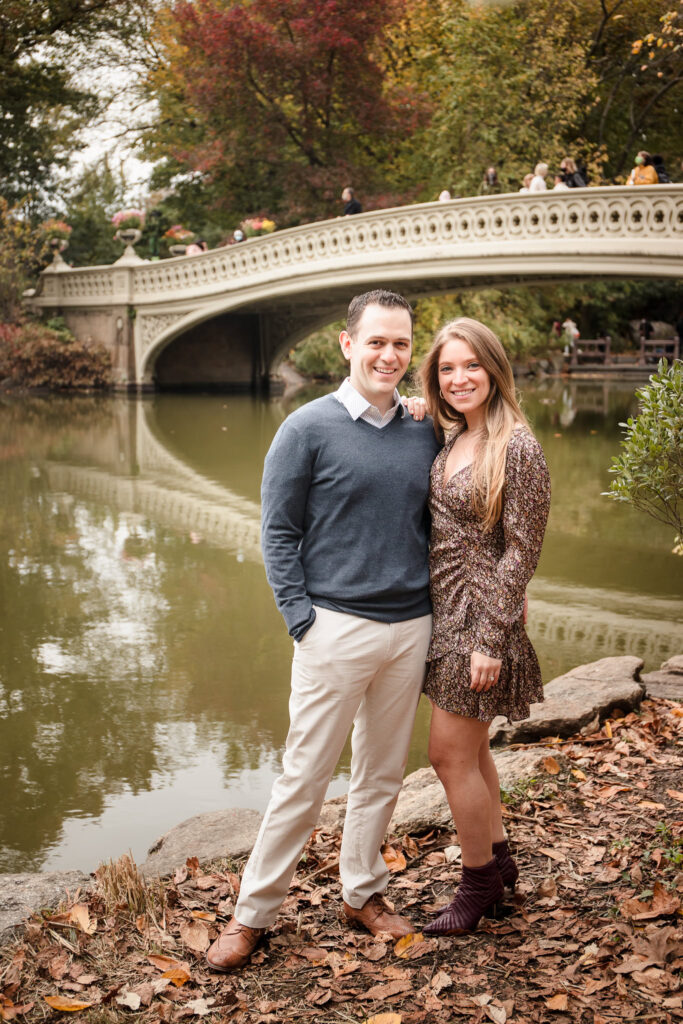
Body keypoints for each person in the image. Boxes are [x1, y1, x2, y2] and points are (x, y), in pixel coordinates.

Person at [205, 290, 440, 972]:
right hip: (333, 627)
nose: (389, 355)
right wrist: (300, 619)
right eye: (376, 342)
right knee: (303, 778)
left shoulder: (425, 428)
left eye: (400, 344)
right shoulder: (305, 428)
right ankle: (252, 914)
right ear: (346, 345)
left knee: (382, 774)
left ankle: (361, 894)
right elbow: (277, 531)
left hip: (410, 626)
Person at [415, 318, 551, 935]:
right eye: (447, 368)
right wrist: (417, 407)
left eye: (472, 366)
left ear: (495, 369)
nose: (459, 378)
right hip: (445, 613)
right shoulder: (452, 437)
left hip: (481, 622)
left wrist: (491, 639)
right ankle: (499, 861)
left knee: (447, 758)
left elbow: (522, 550)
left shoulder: (516, 445)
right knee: (470, 753)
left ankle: (476, 887)